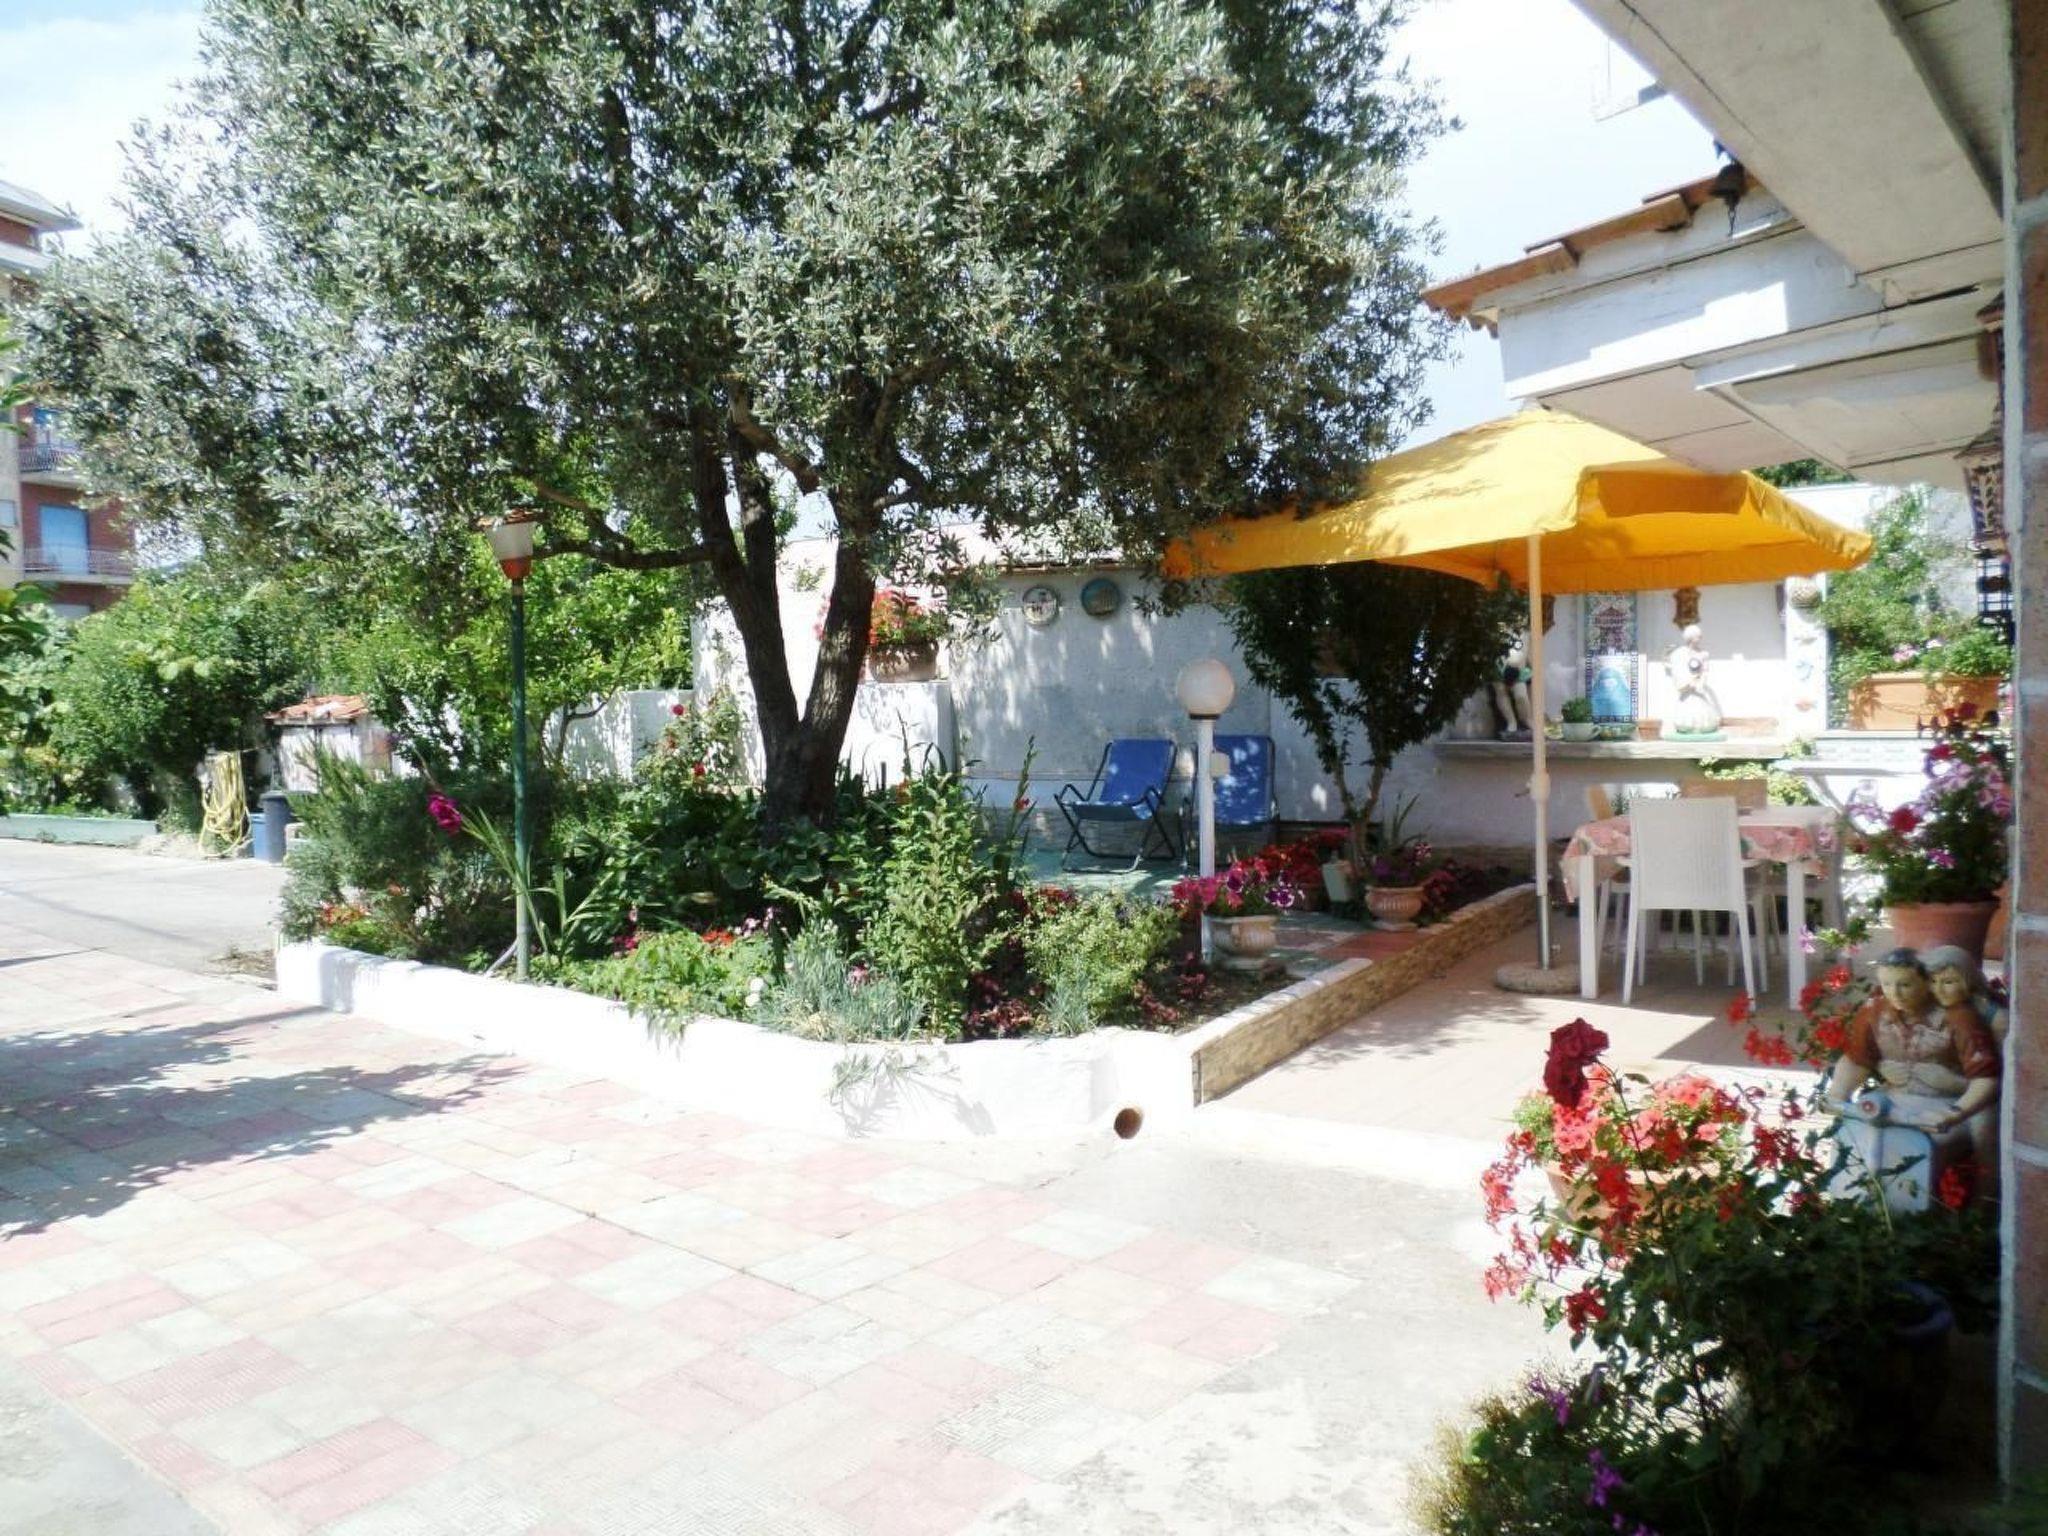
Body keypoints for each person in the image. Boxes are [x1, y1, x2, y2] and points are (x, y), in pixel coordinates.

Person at [1824, 947, 2000, 1206]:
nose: (1894, 993)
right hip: (1896, 1099)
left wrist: (1954, 1112)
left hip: (1944, 1106)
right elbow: (1856, 1060)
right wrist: (1838, 1093)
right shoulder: (1875, 1012)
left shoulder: (1957, 1018)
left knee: (1967, 1138)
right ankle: (1850, 1203)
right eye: (1887, 984)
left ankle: (1980, 1200)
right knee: (1855, 1132)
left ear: (1925, 982)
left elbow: (1986, 1078)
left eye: (1905, 985)